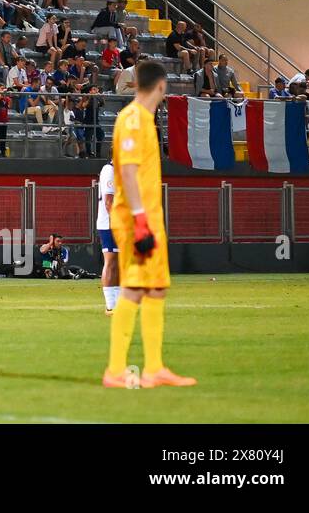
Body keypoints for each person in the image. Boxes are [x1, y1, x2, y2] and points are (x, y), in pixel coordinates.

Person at [102, 60, 197, 389]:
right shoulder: (132, 119)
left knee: (156, 287)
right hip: (135, 218)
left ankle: (154, 368)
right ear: (161, 85)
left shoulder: (144, 119)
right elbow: (126, 171)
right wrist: (141, 220)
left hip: (149, 216)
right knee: (135, 287)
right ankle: (115, 370)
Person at [97, 160, 119, 313]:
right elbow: (108, 201)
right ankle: (110, 305)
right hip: (109, 224)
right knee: (110, 261)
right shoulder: (109, 170)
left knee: (119, 263)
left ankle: (118, 303)